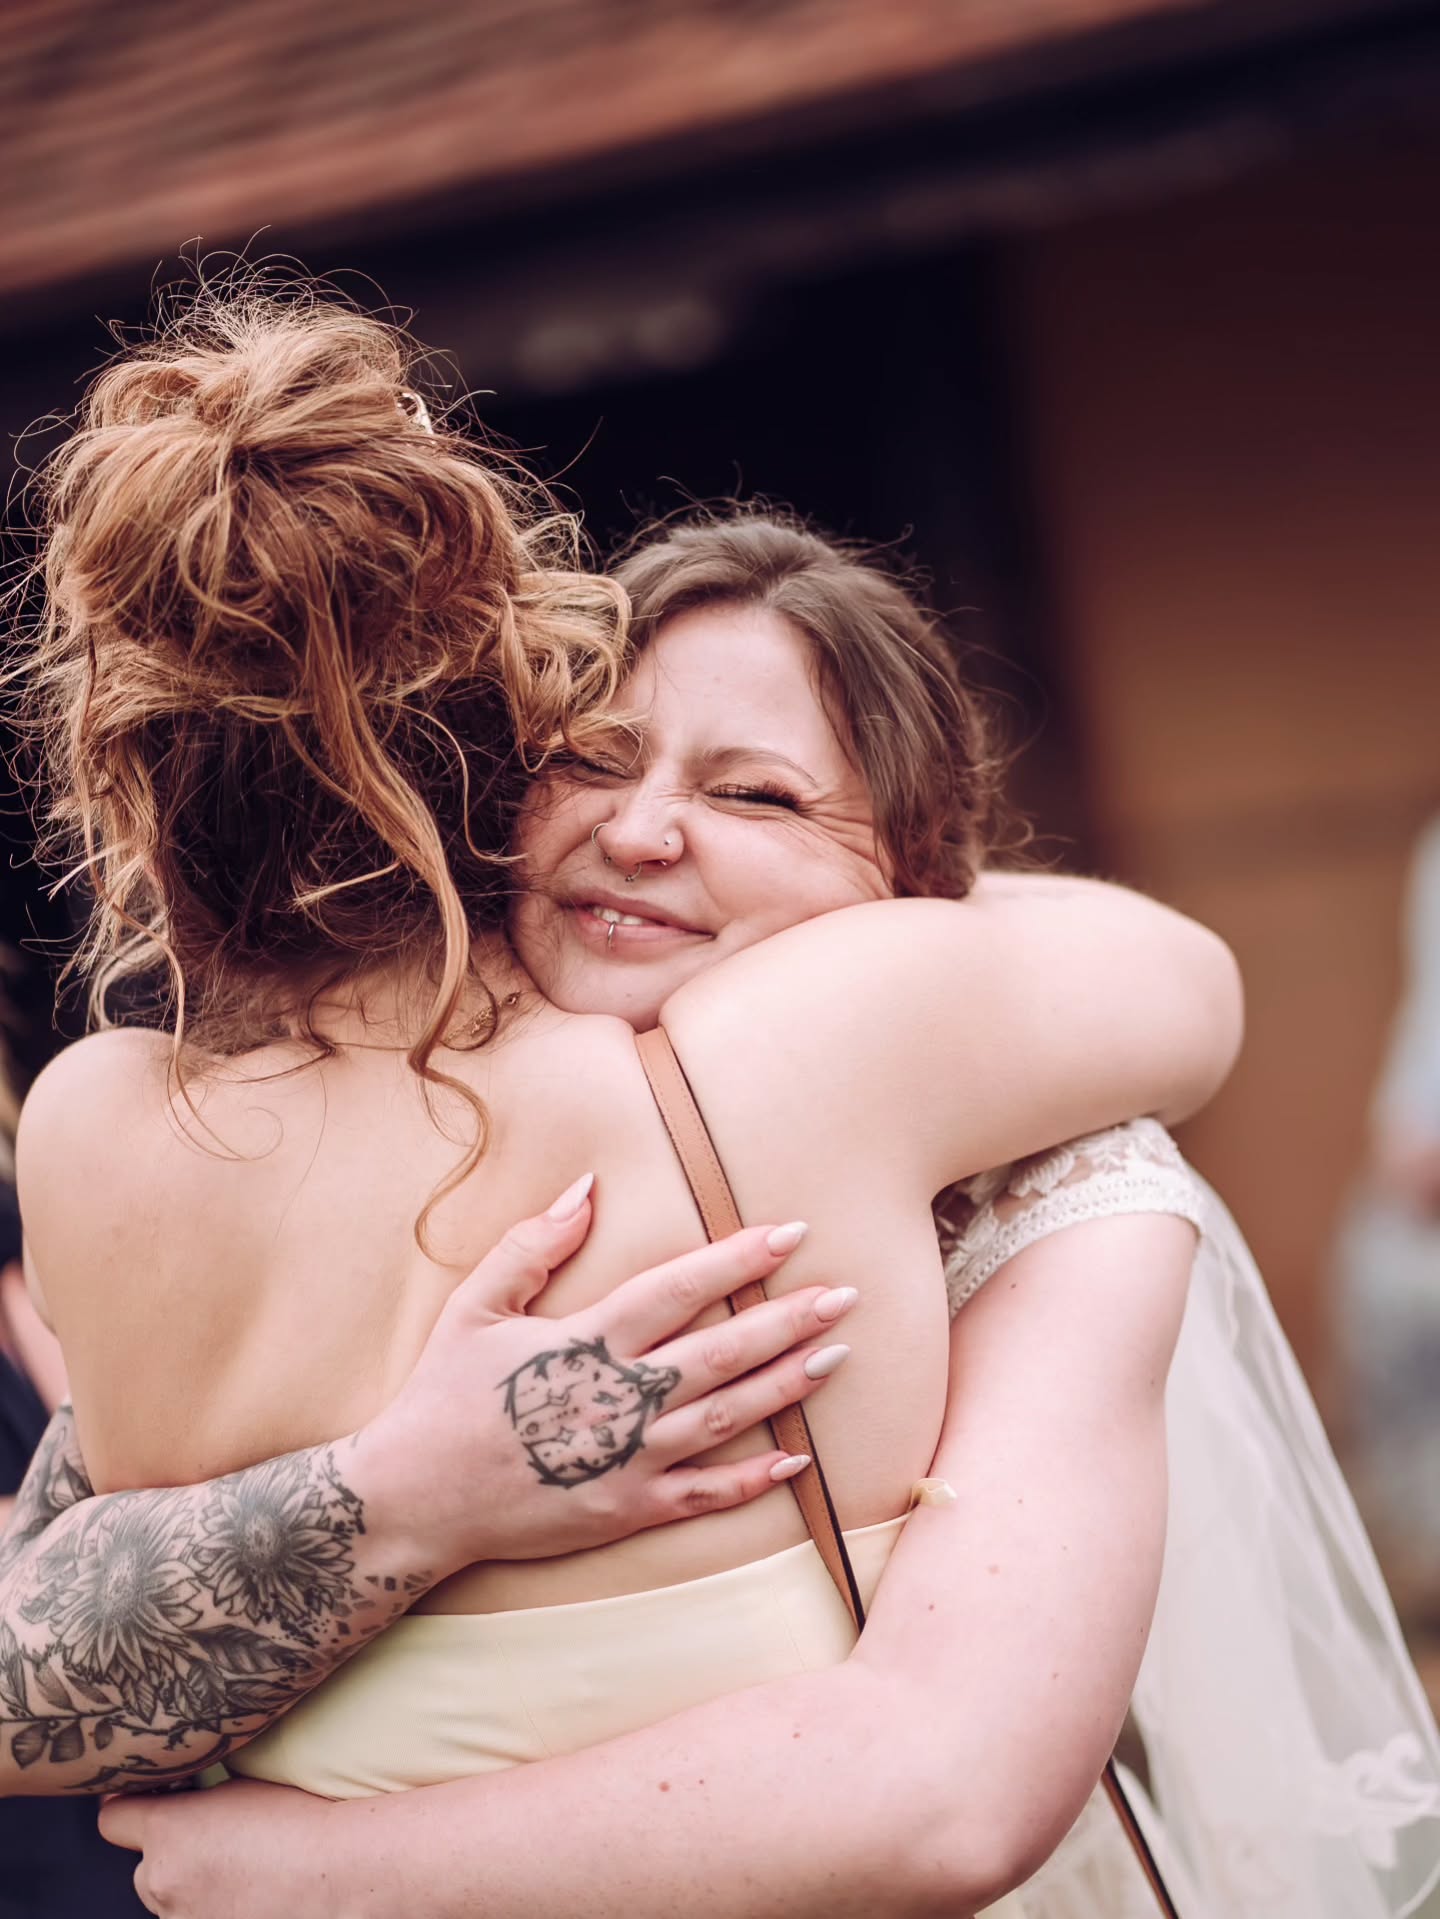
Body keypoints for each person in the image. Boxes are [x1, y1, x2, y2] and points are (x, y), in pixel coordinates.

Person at [6, 298, 1432, 1916]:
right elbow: (28, 1630)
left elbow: (949, 1789)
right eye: (599, 760)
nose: (644, 832)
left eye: (755, 795)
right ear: (494, 784)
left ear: (922, 884)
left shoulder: (97, 1125)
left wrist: (323, 1872)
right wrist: (405, 1484)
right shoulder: (780, 1056)